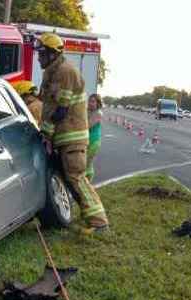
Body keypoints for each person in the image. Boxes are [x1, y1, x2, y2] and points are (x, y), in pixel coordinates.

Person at [36, 32, 109, 234]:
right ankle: (91, 219)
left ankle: (99, 223)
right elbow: (48, 104)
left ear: (53, 54)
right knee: (70, 178)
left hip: (72, 137)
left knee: (76, 178)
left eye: (42, 54)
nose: (38, 58)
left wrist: (46, 133)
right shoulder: (51, 72)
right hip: (64, 138)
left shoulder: (65, 72)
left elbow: (61, 109)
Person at [86, 94, 103, 181]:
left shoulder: (98, 113)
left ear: (98, 103)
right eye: (89, 101)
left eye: (93, 101)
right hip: (86, 140)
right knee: (88, 164)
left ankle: (86, 183)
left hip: (94, 141)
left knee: (85, 163)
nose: (90, 103)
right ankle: (88, 181)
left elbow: (87, 125)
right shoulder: (87, 111)